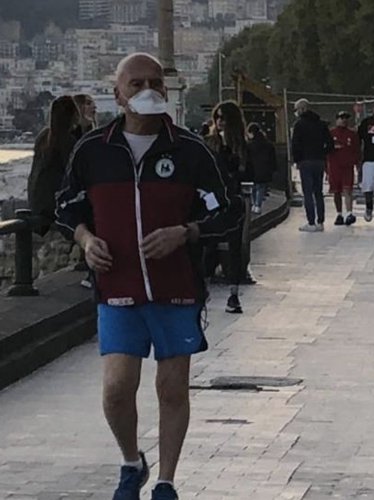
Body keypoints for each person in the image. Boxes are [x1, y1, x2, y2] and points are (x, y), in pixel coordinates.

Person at [55, 53, 239, 500]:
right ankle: (132, 461)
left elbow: (230, 210)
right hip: (116, 288)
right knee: (117, 388)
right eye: (136, 83)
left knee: (171, 386)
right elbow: (65, 207)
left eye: (155, 81)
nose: (147, 90)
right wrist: (84, 239)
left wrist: (186, 232)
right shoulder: (94, 151)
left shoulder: (190, 150)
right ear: (117, 95)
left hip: (176, 288)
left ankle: (165, 482)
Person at [207, 101, 253, 314]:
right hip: (212, 199)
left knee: (235, 246)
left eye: (224, 118)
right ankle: (203, 286)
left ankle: (233, 293)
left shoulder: (243, 146)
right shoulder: (209, 143)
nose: (220, 122)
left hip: (233, 199)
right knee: (208, 243)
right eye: (217, 118)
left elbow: (248, 172)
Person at [28, 95, 81, 235]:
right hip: (52, 206)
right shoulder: (67, 141)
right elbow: (75, 175)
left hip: (37, 203)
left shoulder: (43, 137)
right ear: (73, 115)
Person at [292, 98, 333, 232]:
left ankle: (311, 222)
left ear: (302, 109)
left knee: (307, 193)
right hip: (319, 161)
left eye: (296, 109)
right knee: (318, 192)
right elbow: (330, 144)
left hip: (305, 161)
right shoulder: (321, 124)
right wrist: (323, 153)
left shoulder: (299, 125)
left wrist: (297, 160)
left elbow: (295, 145)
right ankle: (320, 221)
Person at [328, 110, 360, 226]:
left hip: (347, 167)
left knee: (348, 190)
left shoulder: (352, 134)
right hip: (334, 167)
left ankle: (349, 213)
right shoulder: (331, 133)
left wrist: (357, 163)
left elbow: (357, 150)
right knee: (336, 191)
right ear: (337, 119)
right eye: (341, 118)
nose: (344, 120)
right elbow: (326, 149)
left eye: (346, 118)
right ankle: (339, 213)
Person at [247, 123, 276, 214]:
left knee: (253, 187)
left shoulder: (250, 145)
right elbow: (273, 158)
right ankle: (258, 206)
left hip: (253, 169)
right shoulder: (268, 144)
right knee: (261, 187)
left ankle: (254, 205)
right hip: (265, 168)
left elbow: (247, 158)